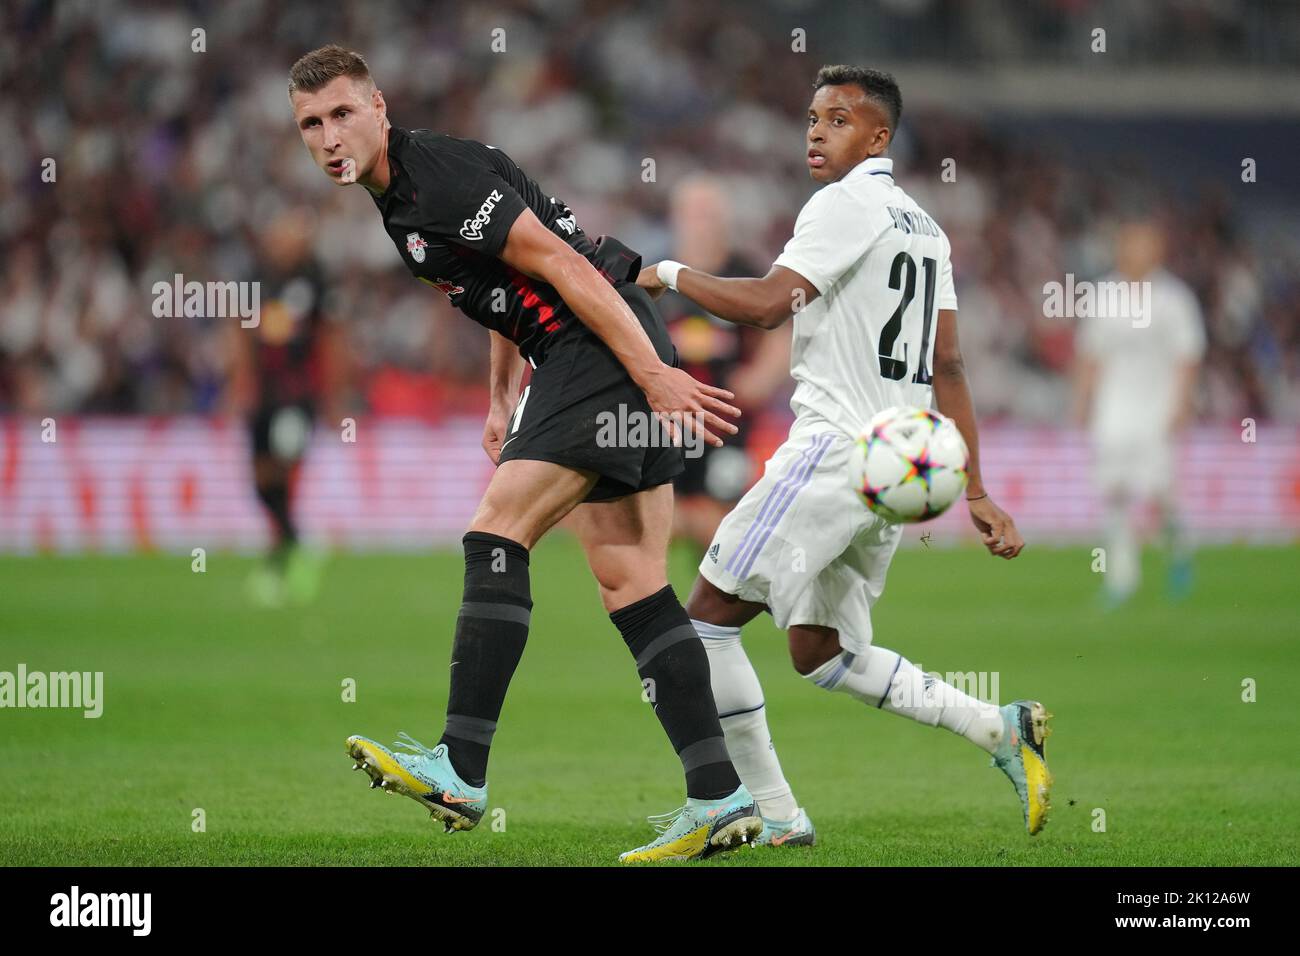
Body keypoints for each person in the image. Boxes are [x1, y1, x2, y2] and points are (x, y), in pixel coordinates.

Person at [288, 45, 757, 862]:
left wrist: (652, 377)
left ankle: (461, 767)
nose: (329, 137)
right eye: (310, 125)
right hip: (601, 347)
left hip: (600, 348)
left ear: (379, 107)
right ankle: (720, 795)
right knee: (633, 582)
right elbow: (510, 289)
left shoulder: (436, 180)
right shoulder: (403, 195)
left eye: (341, 114)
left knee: (494, 532)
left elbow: (565, 266)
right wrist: (503, 394)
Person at [639, 66, 1051, 845]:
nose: (816, 134)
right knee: (820, 652)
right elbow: (949, 367)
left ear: (878, 137)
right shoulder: (928, 229)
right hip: (896, 467)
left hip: (834, 451)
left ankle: (773, 814)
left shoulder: (840, 206)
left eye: (836, 120)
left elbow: (766, 306)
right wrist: (977, 491)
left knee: (705, 629)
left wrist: (667, 272)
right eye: (812, 119)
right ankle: (999, 727)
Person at [1073, 215, 1205, 607]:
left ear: (1157, 250)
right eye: (1128, 244)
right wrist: (1082, 400)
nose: (1133, 252)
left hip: (1156, 406)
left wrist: (1182, 403)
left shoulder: (1174, 298)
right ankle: (1122, 578)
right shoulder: (1102, 294)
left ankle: (1180, 550)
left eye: (1143, 244)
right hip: (1113, 407)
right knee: (1113, 490)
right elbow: (1090, 353)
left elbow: (1188, 357)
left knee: (1158, 490)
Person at [658, 175, 793, 555]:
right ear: (677, 218)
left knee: (723, 516)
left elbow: (779, 331)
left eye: (709, 213)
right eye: (693, 213)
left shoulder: (745, 271)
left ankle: (715, 601)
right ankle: (663, 607)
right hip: (667, 421)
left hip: (727, 420)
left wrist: (761, 378)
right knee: (659, 514)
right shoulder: (657, 275)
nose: (701, 223)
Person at [226, 208, 343, 607]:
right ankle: (299, 547)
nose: (285, 243)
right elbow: (239, 331)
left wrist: (331, 398)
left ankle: (280, 563)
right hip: (264, 394)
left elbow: (329, 339)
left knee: (284, 467)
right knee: (261, 481)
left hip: (297, 396)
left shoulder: (315, 280)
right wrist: (241, 383)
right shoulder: (254, 278)